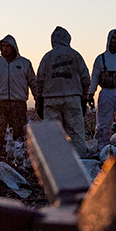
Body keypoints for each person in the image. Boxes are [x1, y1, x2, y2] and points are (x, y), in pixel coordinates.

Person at [35, 26, 91, 158]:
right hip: (72, 97)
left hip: (50, 99)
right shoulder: (75, 55)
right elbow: (85, 78)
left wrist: (39, 100)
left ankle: (55, 165)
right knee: (76, 133)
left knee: (53, 134)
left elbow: (40, 80)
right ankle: (81, 163)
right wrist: (84, 98)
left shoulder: (47, 57)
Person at [0, 35, 37, 162]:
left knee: (18, 131)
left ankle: (19, 158)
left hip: (18, 103)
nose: (4, 49)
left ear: (14, 48)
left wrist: (38, 98)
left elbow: (33, 82)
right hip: (0, 102)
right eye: (2, 46)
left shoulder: (24, 63)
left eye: (7, 46)